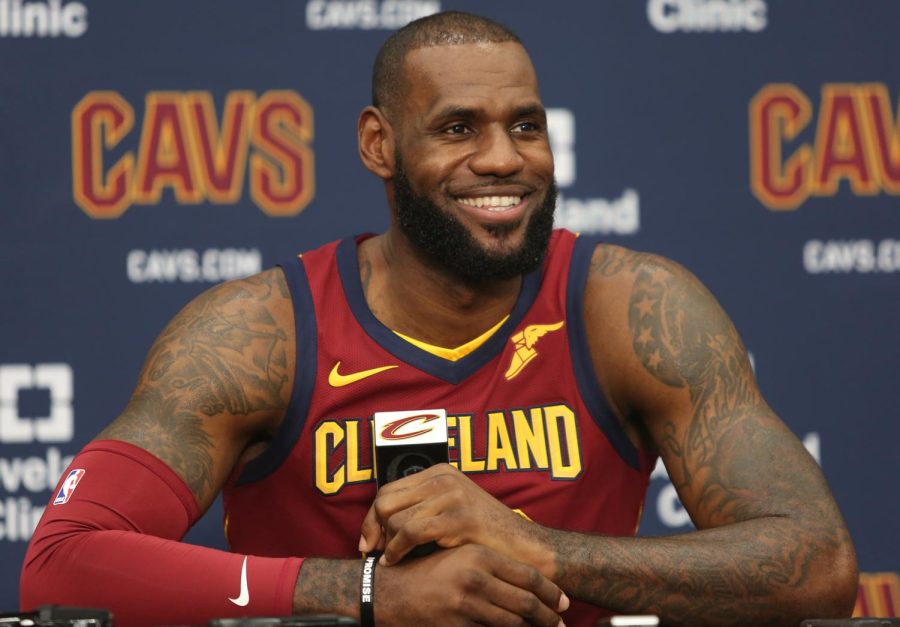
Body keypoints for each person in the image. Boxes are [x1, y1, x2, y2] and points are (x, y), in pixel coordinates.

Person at [20, 11, 857, 627]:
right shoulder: (261, 334)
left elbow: (814, 563)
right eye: (458, 128)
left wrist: (534, 546)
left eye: (523, 126)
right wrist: (371, 595)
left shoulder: (628, 309)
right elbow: (61, 566)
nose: (502, 158)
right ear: (379, 145)